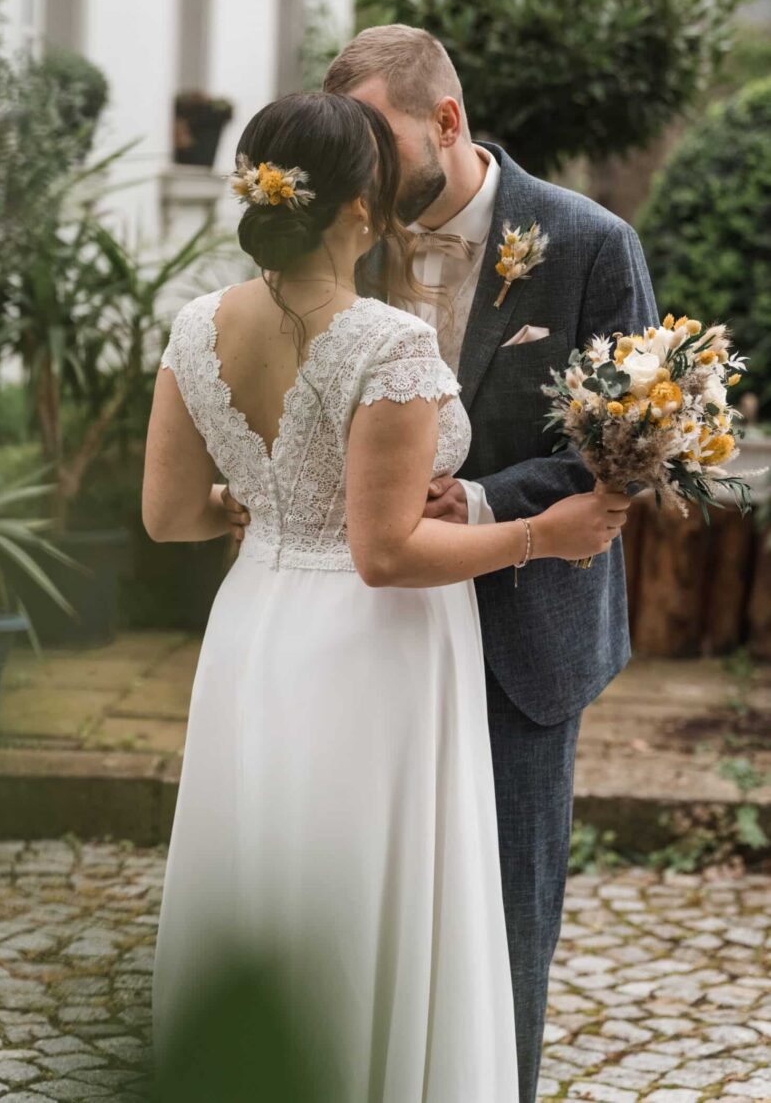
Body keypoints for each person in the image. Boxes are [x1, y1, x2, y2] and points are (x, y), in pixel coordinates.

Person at [144, 91, 630, 1102]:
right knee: (376, 886)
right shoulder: (387, 343)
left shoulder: (195, 327)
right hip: (376, 650)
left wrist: (264, 504)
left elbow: (170, 516)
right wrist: (550, 532)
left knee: (270, 871)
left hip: (255, 629)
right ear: (364, 209)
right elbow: (388, 554)